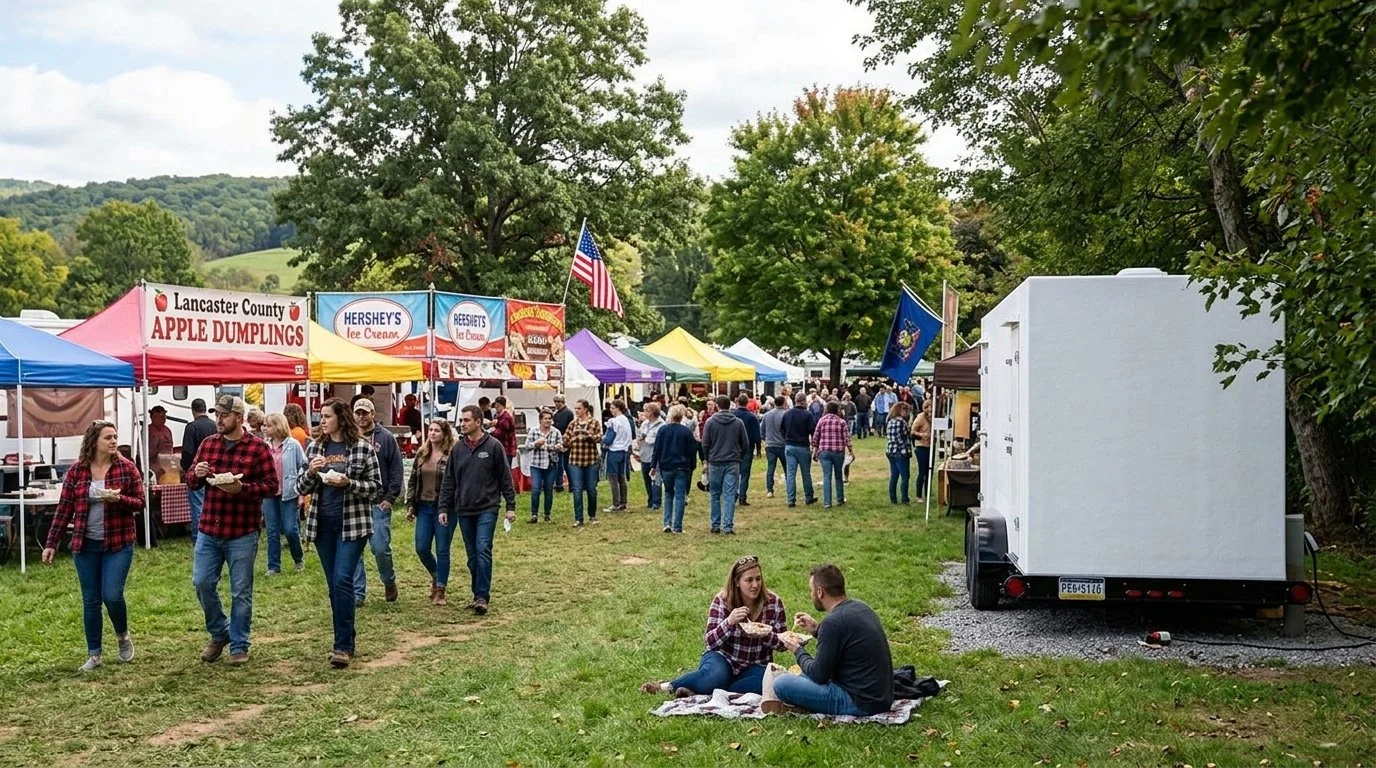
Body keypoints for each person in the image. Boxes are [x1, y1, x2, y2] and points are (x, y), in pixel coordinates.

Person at [41, 419, 144, 672]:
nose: (113, 441)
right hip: (85, 545)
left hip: (118, 543)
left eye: (114, 437)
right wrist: (51, 543)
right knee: (91, 600)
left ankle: (122, 635)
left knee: (112, 595)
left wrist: (119, 498)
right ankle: (95, 654)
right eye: (107, 437)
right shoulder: (77, 471)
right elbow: (64, 508)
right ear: (94, 442)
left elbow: (140, 503)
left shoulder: (127, 468)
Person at [186, 395, 278, 666]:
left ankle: (239, 643)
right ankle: (220, 632)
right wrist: (198, 473)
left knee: (241, 591)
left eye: (224, 416)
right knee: (202, 583)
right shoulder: (208, 444)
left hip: (242, 530)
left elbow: (271, 486)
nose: (219, 420)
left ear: (239, 418)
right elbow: (191, 481)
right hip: (209, 527)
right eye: (217, 415)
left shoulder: (257, 448)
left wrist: (244, 489)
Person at [299, 398, 382, 668]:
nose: (322, 421)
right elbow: (301, 487)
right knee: (334, 585)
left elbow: (375, 488)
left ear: (340, 419)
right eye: (320, 416)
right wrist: (311, 471)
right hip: (322, 525)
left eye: (327, 416)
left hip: (353, 525)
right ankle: (346, 637)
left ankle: (342, 646)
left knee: (343, 580)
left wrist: (349, 483)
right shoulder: (315, 447)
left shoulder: (361, 448)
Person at [639, 555, 786, 697]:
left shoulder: (773, 602)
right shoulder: (723, 600)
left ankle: (705, 690)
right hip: (723, 658)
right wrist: (729, 622)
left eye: (758, 579)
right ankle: (666, 686)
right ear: (737, 582)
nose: (755, 585)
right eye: (749, 580)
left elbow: (782, 644)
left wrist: (766, 634)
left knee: (770, 682)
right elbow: (710, 641)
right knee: (716, 676)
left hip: (756, 664)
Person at [774, 564, 894, 717]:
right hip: (880, 697)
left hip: (860, 702)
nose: (811, 595)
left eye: (811, 591)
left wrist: (797, 650)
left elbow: (819, 675)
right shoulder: (861, 607)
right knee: (803, 675)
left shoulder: (833, 623)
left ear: (820, 592)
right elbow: (842, 643)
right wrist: (817, 629)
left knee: (781, 683)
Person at [439, 404, 517, 615]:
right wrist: (444, 507)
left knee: (483, 549)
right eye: (461, 420)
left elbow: (505, 478)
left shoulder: (494, 446)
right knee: (472, 556)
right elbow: (449, 481)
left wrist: (510, 506)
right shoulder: (457, 449)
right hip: (464, 508)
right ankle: (477, 594)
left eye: (466, 420)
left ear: (478, 422)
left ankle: (482, 596)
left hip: (487, 507)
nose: (462, 424)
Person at [351, 398, 403, 605]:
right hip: (356, 502)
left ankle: (388, 581)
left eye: (365, 413)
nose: (362, 417)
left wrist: (390, 498)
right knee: (354, 550)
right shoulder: (350, 437)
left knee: (380, 547)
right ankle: (358, 593)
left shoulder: (386, 438)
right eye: (358, 413)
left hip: (379, 502)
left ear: (373, 414)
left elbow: (397, 469)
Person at [408, 419, 456, 604]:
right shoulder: (422, 453)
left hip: (445, 507)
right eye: (431, 430)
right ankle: (436, 574)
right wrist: (411, 504)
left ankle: (441, 590)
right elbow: (413, 479)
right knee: (421, 547)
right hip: (424, 506)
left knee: (442, 548)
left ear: (445, 434)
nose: (433, 433)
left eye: (437, 430)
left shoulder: (451, 454)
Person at [262, 413, 307, 575]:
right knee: (272, 531)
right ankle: (273, 566)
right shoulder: (264, 446)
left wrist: (301, 492)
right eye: (264, 425)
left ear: (278, 426)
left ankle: (298, 558)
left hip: (289, 492)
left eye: (268, 425)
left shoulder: (293, 445)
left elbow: (303, 466)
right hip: (269, 493)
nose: (264, 428)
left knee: (290, 529)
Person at [701, 395, 748, 535]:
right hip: (732, 461)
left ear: (717, 406)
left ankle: (715, 524)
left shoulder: (710, 422)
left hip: (715, 461)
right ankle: (728, 526)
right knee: (729, 494)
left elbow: (705, 443)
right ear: (730, 405)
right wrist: (739, 456)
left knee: (714, 494)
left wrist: (706, 459)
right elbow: (745, 443)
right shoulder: (738, 422)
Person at [651, 405, 698, 534]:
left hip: (666, 466)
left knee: (668, 493)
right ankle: (677, 526)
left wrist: (653, 466)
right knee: (679, 496)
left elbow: (657, 449)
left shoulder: (663, 430)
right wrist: (692, 466)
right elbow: (692, 451)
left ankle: (667, 523)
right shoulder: (686, 431)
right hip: (682, 467)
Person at [180, 398, 217, 543]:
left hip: (198, 471)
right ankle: (211, 531)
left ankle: (198, 536)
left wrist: (187, 469)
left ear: (193, 410)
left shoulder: (191, 427)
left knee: (197, 504)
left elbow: (188, 451)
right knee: (211, 504)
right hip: (214, 472)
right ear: (205, 408)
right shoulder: (214, 425)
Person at [564, 399, 603, 526]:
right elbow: (566, 439)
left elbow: (599, 437)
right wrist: (569, 440)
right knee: (577, 489)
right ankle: (578, 518)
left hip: (591, 460)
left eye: (579, 408)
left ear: (586, 409)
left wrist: (589, 436)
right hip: (575, 460)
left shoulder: (594, 422)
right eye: (575, 408)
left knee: (592, 489)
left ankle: (592, 515)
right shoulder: (572, 424)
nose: (576, 411)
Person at [522, 410, 563, 523]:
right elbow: (526, 446)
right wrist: (536, 444)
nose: (548, 421)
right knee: (535, 489)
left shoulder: (556, 432)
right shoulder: (534, 431)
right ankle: (534, 514)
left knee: (548, 489)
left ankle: (547, 514)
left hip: (551, 464)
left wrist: (551, 447)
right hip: (536, 464)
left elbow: (561, 445)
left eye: (550, 418)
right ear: (540, 420)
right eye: (545, 418)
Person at [811, 400, 854, 508]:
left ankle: (827, 502)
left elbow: (815, 438)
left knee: (826, 476)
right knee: (838, 476)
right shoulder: (841, 422)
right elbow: (847, 438)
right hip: (838, 451)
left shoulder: (821, 421)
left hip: (824, 451)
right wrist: (851, 451)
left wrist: (815, 451)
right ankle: (840, 499)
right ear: (837, 410)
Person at [781, 395, 818, 507]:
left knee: (790, 473)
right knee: (806, 473)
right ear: (803, 402)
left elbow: (782, 429)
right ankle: (808, 497)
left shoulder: (787, 414)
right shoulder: (807, 415)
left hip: (790, 445)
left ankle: (791, 499)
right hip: (802, 446)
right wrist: (814, 445)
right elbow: (813, 431)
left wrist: (787, 438)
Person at [604, 400, 634, 513]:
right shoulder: (626, 420)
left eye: (612, 408)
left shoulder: (613, 422)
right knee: (622, 477)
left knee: (613, 478)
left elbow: (608, 439)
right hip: (624, 450)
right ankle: (623, 501)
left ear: (618, 408)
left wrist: (603, 440)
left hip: (614, 450)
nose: (611, 410)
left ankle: (615, 503)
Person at [733, 394, 762, 507]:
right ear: (747, 403)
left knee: (733, 473)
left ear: (737, 402)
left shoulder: (733, 415)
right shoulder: (752, 417)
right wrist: (758, 449)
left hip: (733, 447)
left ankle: (733, 495)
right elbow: (757, 435)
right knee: (745, 473)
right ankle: (742, 497)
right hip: (747, 447)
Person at [634, 402, 664, 511]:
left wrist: (644, 438)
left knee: (655, 478)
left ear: (651, 412)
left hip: (654, 456)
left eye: (646, 410)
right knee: (646, 479)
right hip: (644, 454)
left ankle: (656, 502)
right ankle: (650, 500)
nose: (643, 413)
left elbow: (654, 441)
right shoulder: (645, 423)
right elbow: (639, 435)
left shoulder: (661, 425)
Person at [884, 401, 914, 505]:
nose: (907, 413)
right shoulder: (902, 422)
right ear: (900, 411)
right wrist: (906, 449)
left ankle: (893, 499)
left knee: (894, 476)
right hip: (900, 452)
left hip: (890, 451)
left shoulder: (890, 421)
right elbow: (902, 438)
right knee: (905, 476)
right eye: (906, 410)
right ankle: (905, 499)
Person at [760, 395, 788, 499]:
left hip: (770, 444)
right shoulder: (785, 414)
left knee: (771, 467)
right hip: (782, 444)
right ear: (783, 403)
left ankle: (769, 490)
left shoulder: (767, 415)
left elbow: (762, 429)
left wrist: (765, 439)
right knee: (787, 468)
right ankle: (789, 488)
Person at [550, 395, 575, 492]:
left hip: (565, 441)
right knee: (560, 464)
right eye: (555, 401)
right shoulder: (559, 412)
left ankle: (570, 485)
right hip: (560, 441)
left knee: (565, 465)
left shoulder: (567, 412)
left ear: (563, 401)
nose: (556, 403)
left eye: (558, 401)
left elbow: (562, 425)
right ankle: (560, 485)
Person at [912, 399, 933, 503]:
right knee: (922, 471)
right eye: (928, 407)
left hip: (931, 446)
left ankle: (928, 493)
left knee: (930, 471)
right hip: (921, 446)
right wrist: (922, 435)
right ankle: (918, 495)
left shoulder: (933, 418)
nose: (930, 409)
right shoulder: (920, 418)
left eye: (931, 407)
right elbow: (912, 431)